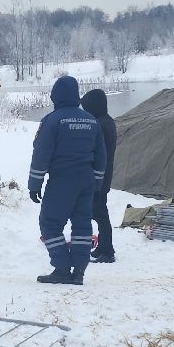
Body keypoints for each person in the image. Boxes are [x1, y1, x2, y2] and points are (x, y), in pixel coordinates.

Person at [29, 75, 105, 286]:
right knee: (82, 225)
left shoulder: (52, 121)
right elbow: (101, 155)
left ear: (55, 96)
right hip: (86, 181)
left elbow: (41, 154)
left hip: (62, 181)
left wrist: (34, 184)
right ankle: (79, 271)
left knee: (50, 223)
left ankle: (62, 268)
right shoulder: (91, 120)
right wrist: (97, 183)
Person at [80, 88, 118, 262]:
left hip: (98, 176)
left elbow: (93, 151)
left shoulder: (100, 125)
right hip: (103, 175)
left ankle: (107, 251)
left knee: (100, 214)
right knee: (100, 211)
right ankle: (102, 247)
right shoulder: (106, 121)